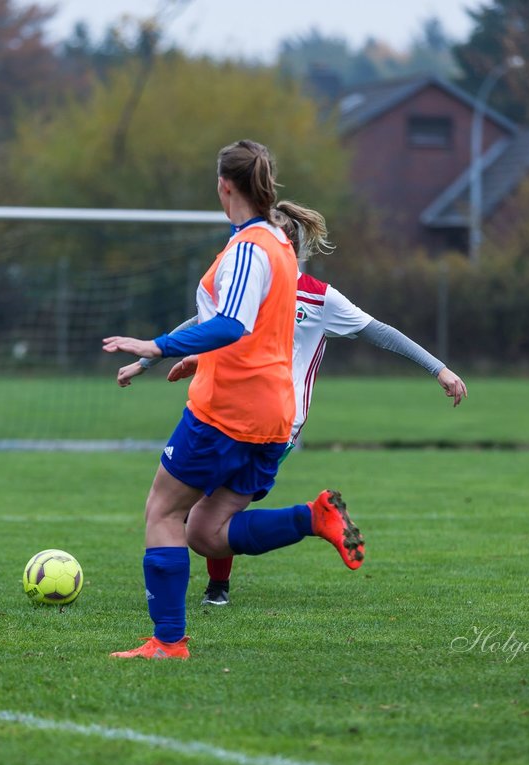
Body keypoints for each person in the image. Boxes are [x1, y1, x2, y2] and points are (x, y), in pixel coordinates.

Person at [117, 206, 467, 606]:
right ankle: (227, 581)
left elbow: (380, 332)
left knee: (193, 513)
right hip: (269, 420)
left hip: (262, 420)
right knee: (205, 514)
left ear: (285, 245)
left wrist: (437, 368)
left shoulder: (318, 296)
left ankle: (203, 600)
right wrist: (151, 361)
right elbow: (202, 324)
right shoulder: (255, 283)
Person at [102, 139, 363, 660]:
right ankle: (312, 518)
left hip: (227, 411)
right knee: (207, 531)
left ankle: (168, 642)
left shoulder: (249, 247)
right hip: (273, 414)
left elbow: (230, 324)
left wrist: (155, 345)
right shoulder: (279, 245)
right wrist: (198, 357)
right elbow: (260, 331)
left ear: (224, 185)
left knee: (162, 512)